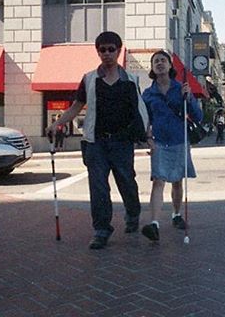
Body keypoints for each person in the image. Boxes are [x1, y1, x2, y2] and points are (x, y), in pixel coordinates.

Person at [46, 31, 149, 250]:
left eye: (111, 49)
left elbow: (139, 110)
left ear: (119, 51)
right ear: (98, 52)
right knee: (98, 187)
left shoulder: (131, 80)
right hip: (96, 143)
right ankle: (101, 229)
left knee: (127, 183)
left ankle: (132, 214)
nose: (107, 53)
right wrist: (57, 123)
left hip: (122, 143)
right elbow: (76, 106)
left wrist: (146, 136)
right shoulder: (89, 78)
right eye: (102, 49)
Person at [140, 50, 203, 241]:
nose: (159, 63)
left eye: (163, 60)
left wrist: (190, 97)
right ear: (152, 68)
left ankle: (176, 215)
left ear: (170, 66)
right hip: (159, 142)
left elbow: (198, 116)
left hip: (179, 140)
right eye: (156, 61)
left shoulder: (180, 88)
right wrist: (148, 140)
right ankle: (154, 224)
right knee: (158, 181)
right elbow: (145, 121)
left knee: (177, 180)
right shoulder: (148, 94)